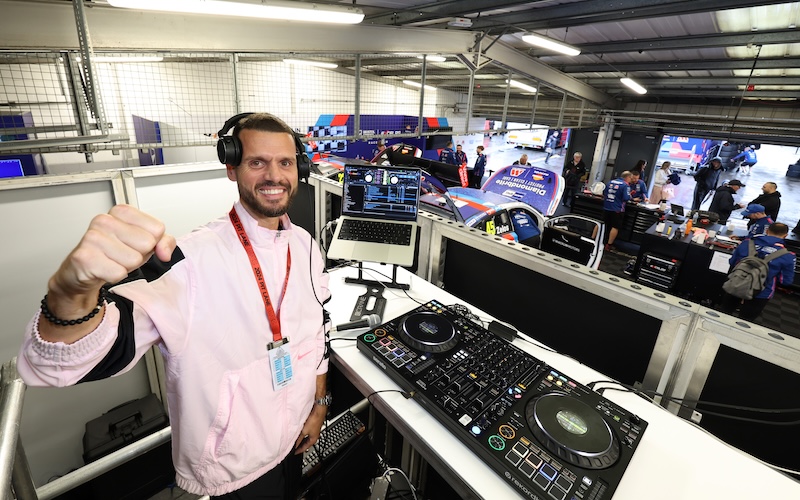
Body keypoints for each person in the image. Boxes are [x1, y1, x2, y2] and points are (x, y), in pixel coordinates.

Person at [17, 113, 331, 499]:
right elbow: (64, 361)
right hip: (235, 466)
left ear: (298, 169)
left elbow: (318, 333)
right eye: (257, 162)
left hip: (296, 434)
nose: (273, 175)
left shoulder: (306, 247)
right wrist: (70, 295)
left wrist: (319, 405)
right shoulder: (188, 259)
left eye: (284, 162)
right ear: (232, 168)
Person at [721, 222, 795, 321]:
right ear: (785, 236)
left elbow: (732, 262)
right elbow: (785, 281)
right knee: (746, 321)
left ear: (767, 231)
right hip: (762, 291)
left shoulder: (747, 243)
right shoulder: (788, 256)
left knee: (724, 313)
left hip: (736, 283)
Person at [602, 171, 632, 250]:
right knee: (615, 227)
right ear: (627, 177)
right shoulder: (625, 185)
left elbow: (604, 193)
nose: (631, 180)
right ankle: (609, 244)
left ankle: (594, 239)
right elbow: (626, 198)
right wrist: (631, 197)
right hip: (617, 209)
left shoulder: (610, 182)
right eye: (630, 178)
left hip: (606, 206)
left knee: (602, 223)